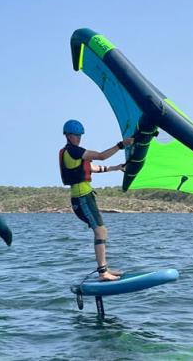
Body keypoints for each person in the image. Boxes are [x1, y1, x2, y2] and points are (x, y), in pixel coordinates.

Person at [59, 119, 133, 281]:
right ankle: (102, 272)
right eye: (74, 135)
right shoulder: (73, 151)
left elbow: (95, 168)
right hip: (82, 198)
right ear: (67, 136)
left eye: (79, 135)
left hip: (85, 197)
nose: (78, 138)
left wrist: (117, 168)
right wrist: (121, 145)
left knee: (101, 230)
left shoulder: (76, 154)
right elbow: (101, 156)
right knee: (100, 231)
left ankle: (104, 269)